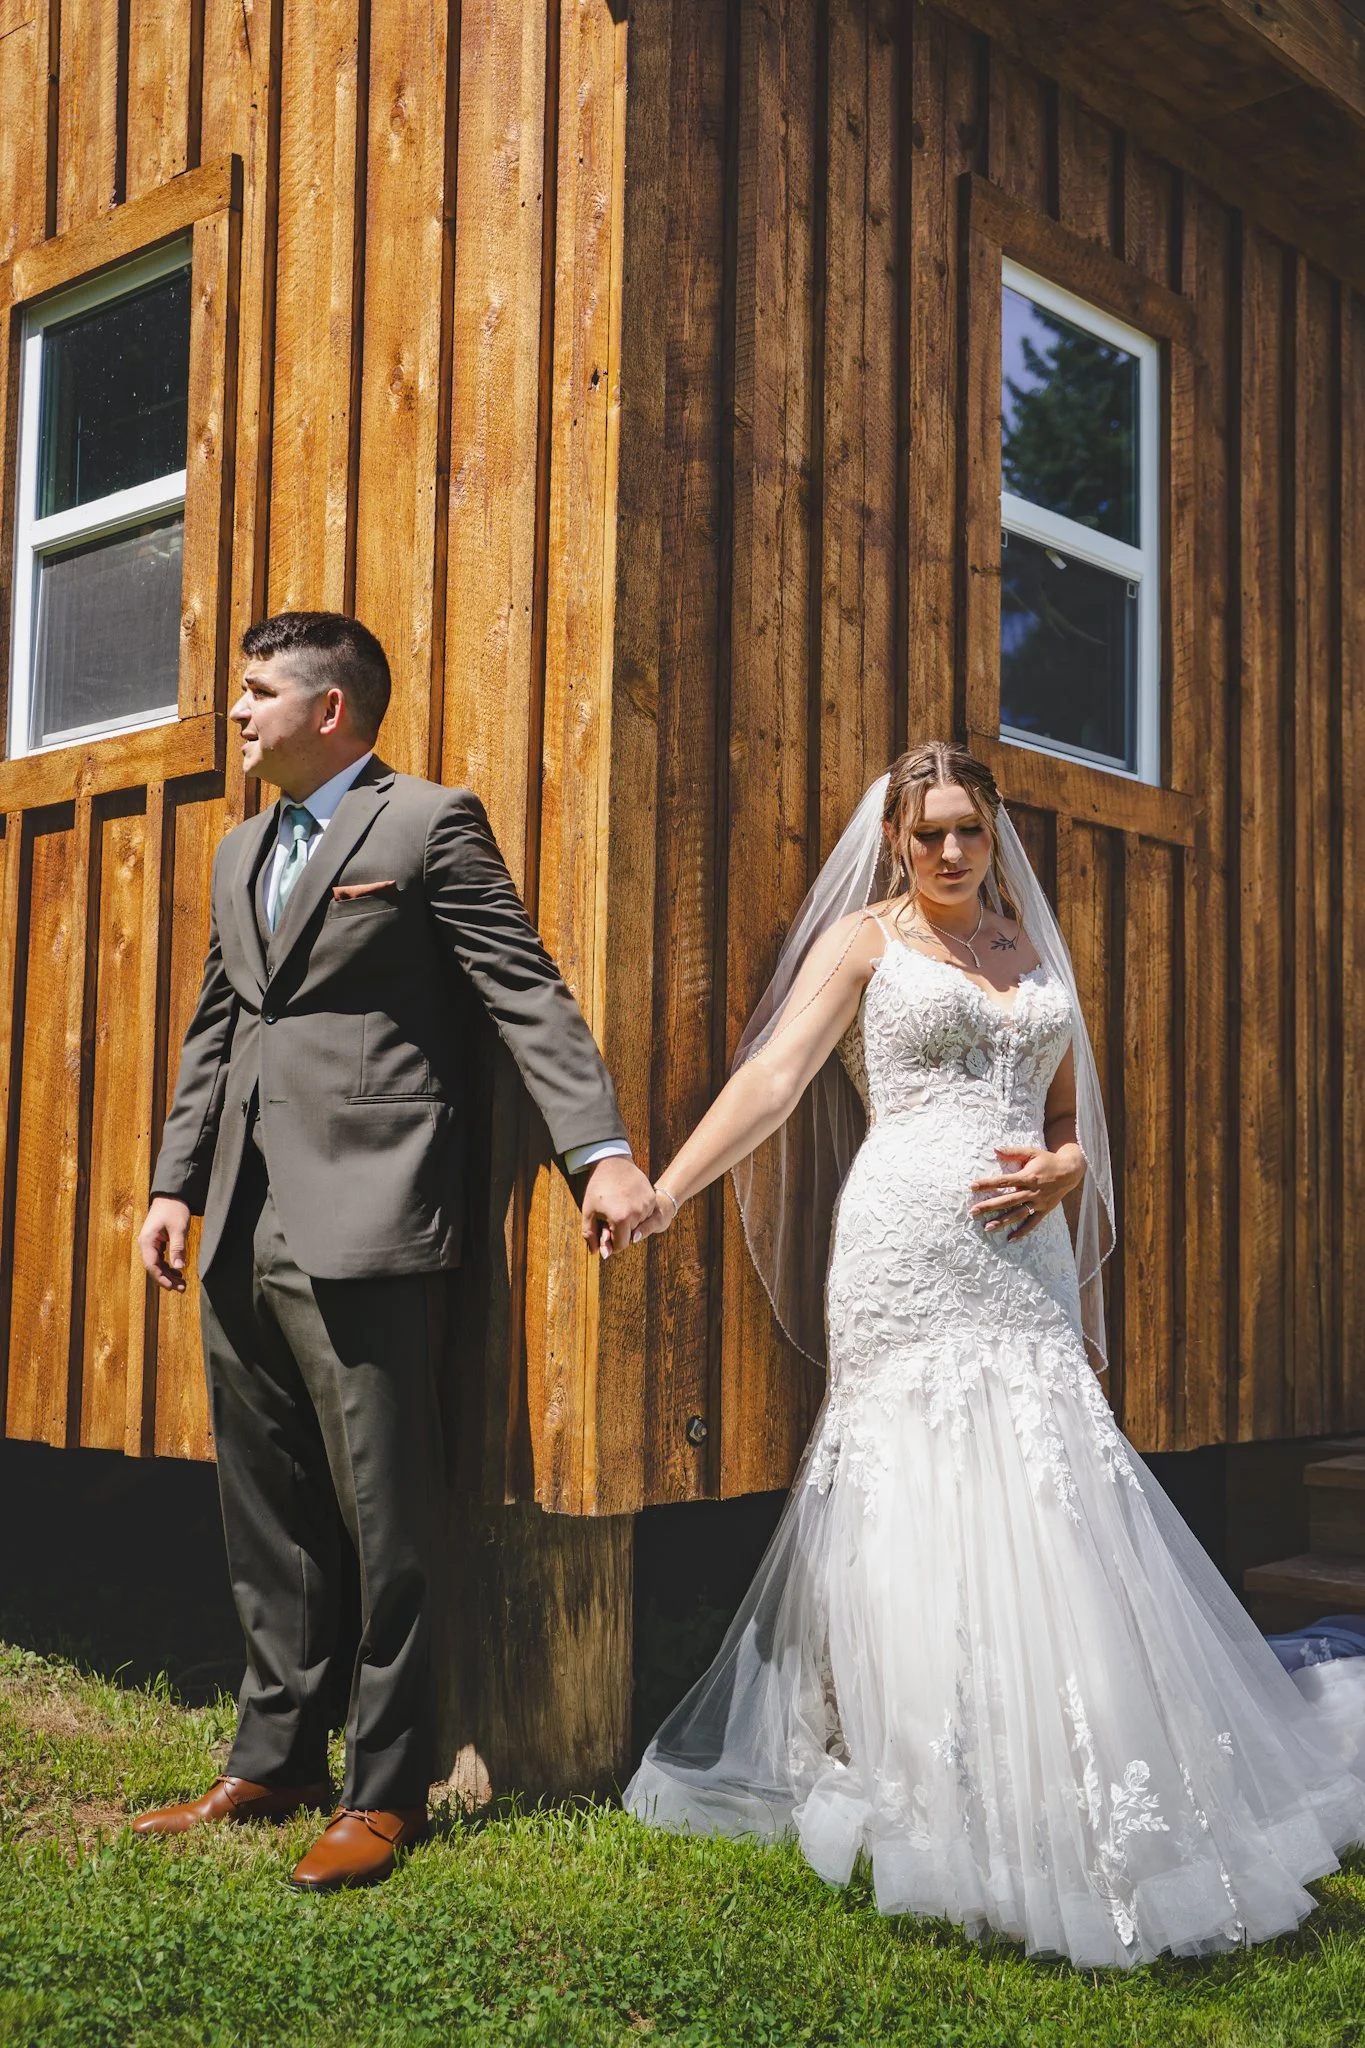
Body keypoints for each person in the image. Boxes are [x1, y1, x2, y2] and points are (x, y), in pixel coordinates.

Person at [625, 739, 1365, 1968]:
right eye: (931, 836)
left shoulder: (1029, 946)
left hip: (1022, 1261)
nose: (954, 853)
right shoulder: (867, 942)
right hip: (907, 1246)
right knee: (914, 1485)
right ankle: (929, 1767)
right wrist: (666, 1186)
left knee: (1049, 1484)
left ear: (995, 832)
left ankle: (1073, 1744)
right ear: (897, 843)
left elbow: (1068, 1117)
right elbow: (773, 1079)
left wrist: (1069, 1165)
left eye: (971, 830)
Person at [132, 611, 656, 1890]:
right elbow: (216, 1025)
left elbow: (523, 988)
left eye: (259, 692)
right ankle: (275, 1755)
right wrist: (172, 1182)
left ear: (331, 709)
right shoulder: (236, 848)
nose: (236, 712)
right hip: (243, 1221)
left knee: (386, 1512)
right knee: (267, 1504)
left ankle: (384, 1786)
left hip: (373, 1208)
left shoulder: (426, 822)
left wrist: (600, 1149)